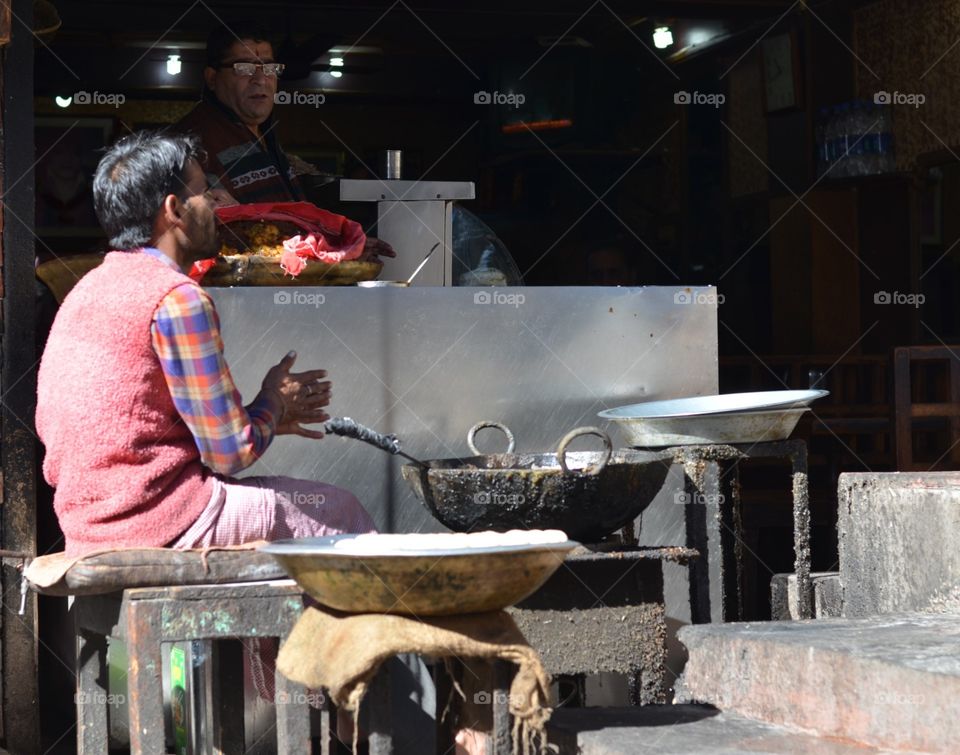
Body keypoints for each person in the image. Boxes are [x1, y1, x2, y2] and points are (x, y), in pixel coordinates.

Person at [36, 130, 374, 556]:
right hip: (156, 519)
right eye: (203, 193)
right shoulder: (177, 298)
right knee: (341, 511)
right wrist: (274, 404)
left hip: (87, 523)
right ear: (174, 209)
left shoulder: (88, 287)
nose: (215, 204)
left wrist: (258, 415)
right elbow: (231, 452)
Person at [175, 24, 394, 261]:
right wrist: (238, 215)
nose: (261, 79)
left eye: (270, 67)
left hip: (279, 278)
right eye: (245, 67)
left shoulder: (264, 137)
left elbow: (287, 222)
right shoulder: (189, 140)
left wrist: (337, 245)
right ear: (212, 78)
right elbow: (193, 232)